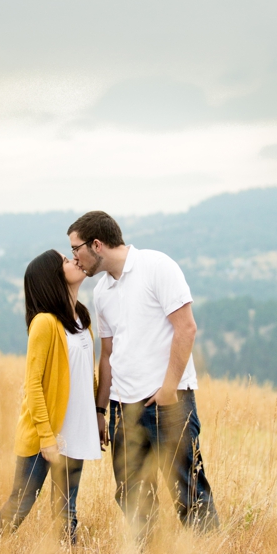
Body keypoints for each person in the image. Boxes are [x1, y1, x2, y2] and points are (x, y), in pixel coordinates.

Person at [68, 210, 218, 534]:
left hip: (167, 402)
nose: (74, 258)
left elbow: (186, 328)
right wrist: (100, 409)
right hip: (123, 411)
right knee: (133, 498)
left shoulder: (157, 266)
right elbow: (107, 355)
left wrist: (168, 389)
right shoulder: (102, 292)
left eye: (75, 249)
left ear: (96, 245)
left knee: (189, 493)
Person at [0, 249, 102, 542]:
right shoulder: (44, 323)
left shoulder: (81, 319)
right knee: (21, 503)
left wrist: (96, 417)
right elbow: (34, 385)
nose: (74, 260)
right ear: (52, 277)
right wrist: (46, 437)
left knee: (66, 511)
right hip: (46, 435)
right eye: (66, 260)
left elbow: (86, 377)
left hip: (75, 431)